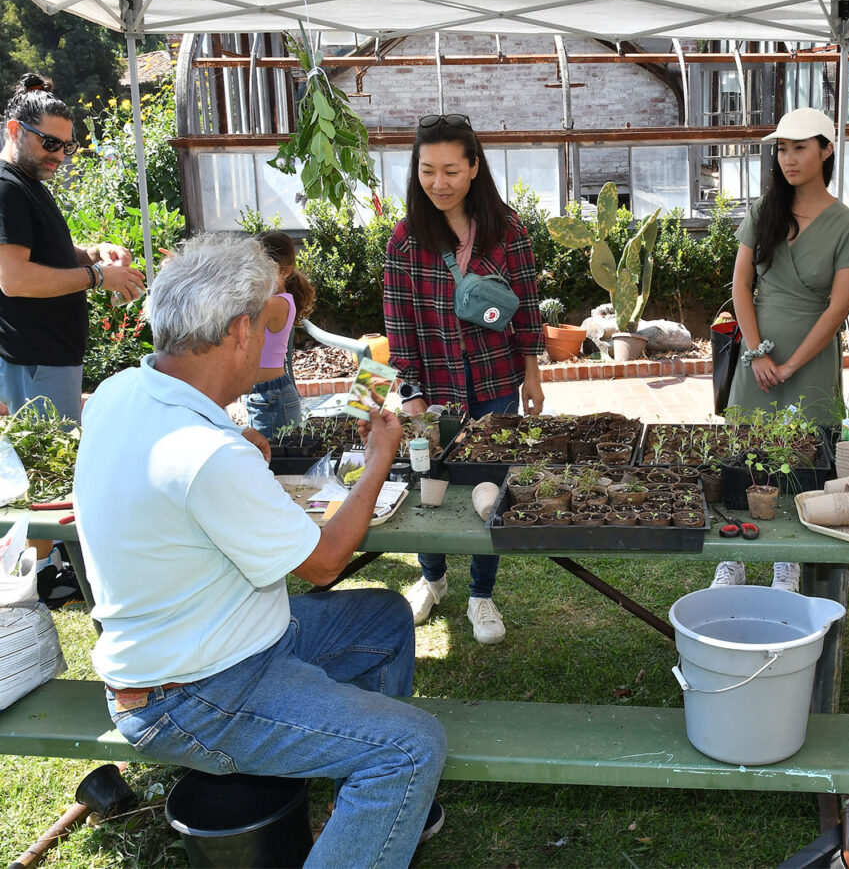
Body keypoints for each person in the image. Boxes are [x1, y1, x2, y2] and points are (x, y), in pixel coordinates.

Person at [74, 234, 447, 865]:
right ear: (243, 330)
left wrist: (234, 444)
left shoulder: (120, 392)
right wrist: (378, 460)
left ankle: (366, 810)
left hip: (213, 646)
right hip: (191, 693)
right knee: (411, 747)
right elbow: (325, 564)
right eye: (267, 323)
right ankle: (384, 784)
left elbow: (168, 483)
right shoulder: (209, 454)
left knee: (385, 618)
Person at [383, 113, 545, 645]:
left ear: (474, 167)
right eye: (427, 170)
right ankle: (432, 577)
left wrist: (532, 375)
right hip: (432, 386)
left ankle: (481, 593)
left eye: (451, 170)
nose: (439, 183)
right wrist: (411, 396)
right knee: (426, 483)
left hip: (495, 380)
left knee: (489, 484)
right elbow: (399, 325)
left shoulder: (507, 230)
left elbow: (527, 308)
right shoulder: (406, 240)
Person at [712, 107, 849, 592]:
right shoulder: (765, 211)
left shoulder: (848, 225)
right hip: (756, 357)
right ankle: (734, 555)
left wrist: (790, 365)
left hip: (811, 360)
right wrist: (758, 353)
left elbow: (837, 309)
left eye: (800, 147)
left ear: (826, 150)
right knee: (743, 455)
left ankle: (789, 559)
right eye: (782, 149)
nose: (789, 158)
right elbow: (741, 286)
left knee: (803, 462)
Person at [0, 72, 144, 422]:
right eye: (50, 143)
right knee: (50, 455)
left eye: (67, 146)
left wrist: (93, 253)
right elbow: (14, 279)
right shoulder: (7, 188)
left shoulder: (27, 182)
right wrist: (97, 277)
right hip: (35, 362)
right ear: (15, 130)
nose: (59, 156)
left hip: (46, 360)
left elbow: (45, 252)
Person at [244, 231, 316, 437]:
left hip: (271, 396)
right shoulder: (270, 300)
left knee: (273, 456)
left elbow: (233, 311)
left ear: (286, 271)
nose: (256, 275)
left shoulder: (277, 303)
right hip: (263, 394)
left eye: (263, 269)